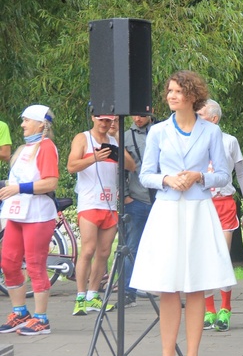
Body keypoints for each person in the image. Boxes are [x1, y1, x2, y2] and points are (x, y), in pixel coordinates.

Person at [129, 70, 236, 356]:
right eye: (169, 91)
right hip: (167, 212)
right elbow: (146, 174)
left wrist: (199, 177)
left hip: (198, 211)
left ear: (192, 95)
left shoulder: (211, 132)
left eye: (177, 91)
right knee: (168, 286)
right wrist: (166, 179)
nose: (170, 96)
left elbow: (224, 177)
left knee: (196, 285)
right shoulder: (159, 132)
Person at [197, 98, 243, 331]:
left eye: (200, 114)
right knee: (202, 260)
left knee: (221, 257)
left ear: (214, 118)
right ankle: (209, 310)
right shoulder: (192, 141)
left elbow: (241, 175)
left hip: (224, 203)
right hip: (200, 203)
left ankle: (226, 308)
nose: (196, 117)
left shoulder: (229, 141)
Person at [67, 114, 135, 316]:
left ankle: (92, 295)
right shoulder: (83, 138)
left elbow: (131, 166)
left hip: (109, 204)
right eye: (102, 120)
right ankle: (80, 297)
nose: (105, 124)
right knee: (88, 250)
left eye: (109, 121)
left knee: (104, 253)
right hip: (89, 203)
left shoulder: (113, 141)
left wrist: (118, 144)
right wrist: (94, 157)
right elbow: (71, 166)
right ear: (93, 118)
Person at [0, 105, 58, 336]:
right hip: (16, 213)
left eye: (26, 120)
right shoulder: (25, 148)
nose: (22, 125)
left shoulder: (46, 147)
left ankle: (41, 319)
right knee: (9, 262)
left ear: (40, 124)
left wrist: (18, 188)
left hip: (38, 215)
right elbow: (16, 182)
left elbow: (50, 182)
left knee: (35, 265)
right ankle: (20, 312)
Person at [120, 114, 155, 307]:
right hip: (137, 198)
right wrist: (125, 196)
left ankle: (168, 291)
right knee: (131, 246)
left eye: (142, 115)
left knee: (164, 245)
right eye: (134, 115)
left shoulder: (162, 131)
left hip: (161, 198)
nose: (137, 119)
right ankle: (127, 291)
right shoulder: (126, 136)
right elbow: (121, 169)